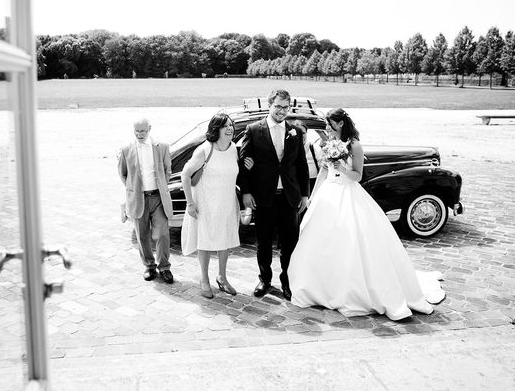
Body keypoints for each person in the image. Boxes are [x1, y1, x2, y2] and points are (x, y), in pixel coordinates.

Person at [288, 108, 445, 320]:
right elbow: (324, 173)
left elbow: (358, 176)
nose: (327, 128)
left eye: (330, 124)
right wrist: (314, 197)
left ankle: (353, 291)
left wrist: (342, 167)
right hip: (327, 195)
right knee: (318, 239)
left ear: (340, 123)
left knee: (353, 241)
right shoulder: (326, 144)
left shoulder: (354, 145)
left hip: (348, 192)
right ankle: (318, 287)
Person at [239, 89, 310, 301]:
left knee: (290, 242)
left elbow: (301, 165)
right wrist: (246, 193)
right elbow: (244, 164)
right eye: (278, 106)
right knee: (263, 240)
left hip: (289, 197)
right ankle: (265, 279)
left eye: (285, 108)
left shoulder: (295, 132)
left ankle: (287, 282)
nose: (281, 111)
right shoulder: (253, 130)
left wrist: (304, 195)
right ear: (270, 105)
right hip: (263, 196)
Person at [180, 113, 241, 298]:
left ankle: (222, 277)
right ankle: (204, 279)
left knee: (225, 240)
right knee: (205, 241)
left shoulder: (233, 149)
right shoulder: (205, 149)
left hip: (227, 202)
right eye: (225, 126)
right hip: (205, 203)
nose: (230, 129)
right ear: (216, 129)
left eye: (231, 125)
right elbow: (185, 174)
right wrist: (190, 203)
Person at [117, 118, 174, 283]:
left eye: (143, 131)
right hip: (138, 198)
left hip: (158, 197)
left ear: (149, 128)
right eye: (137, 131)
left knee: (162, 234)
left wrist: (162, 184)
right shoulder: (126, 149)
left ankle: (164, 267)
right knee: (142, 235)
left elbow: (167, 169)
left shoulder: (162, 147)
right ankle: (149, 266)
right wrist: (133, 189)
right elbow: (123, 174)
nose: (140, 134)